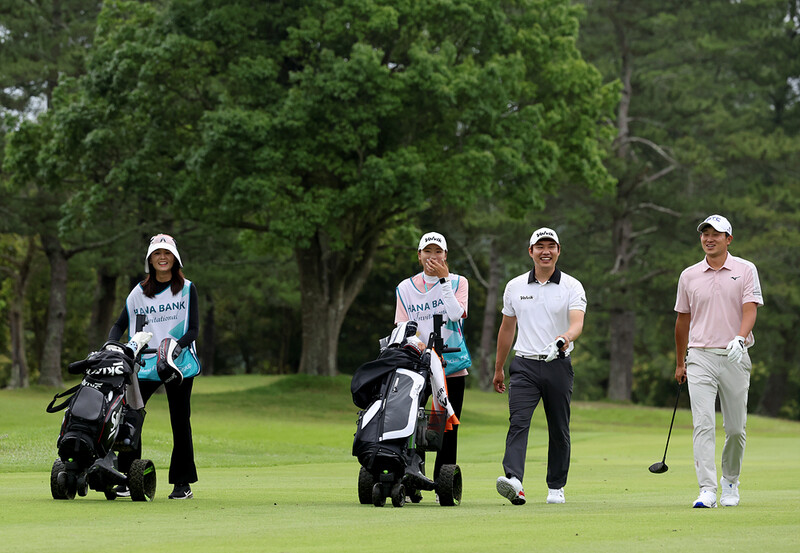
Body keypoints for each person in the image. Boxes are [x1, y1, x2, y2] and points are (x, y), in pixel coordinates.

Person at [674, 214, 762, 508]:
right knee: (703, 423)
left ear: (729, 239)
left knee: (736, 428)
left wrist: (740, 337)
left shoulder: (745, 269)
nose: (709, 239)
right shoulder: (689, 275)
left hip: (735, 355)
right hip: (699, 356)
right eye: (705, 234)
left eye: (716, 234)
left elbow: (750, 309)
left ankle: (730, 481)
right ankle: (707, 489)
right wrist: (680, 362)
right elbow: (682, 321)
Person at [493, 227, 586, 505]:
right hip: (524, 365)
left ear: (558, 250)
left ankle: (556, 486)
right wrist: (499, 367)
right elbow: (507, 329)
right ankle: (514, 481)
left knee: (559, 427)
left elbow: (577, 322)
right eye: (540, 246)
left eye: (551, 246)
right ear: (530, 251)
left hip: (558, 364)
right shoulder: (515, 286)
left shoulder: (571, 286)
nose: (546, 251)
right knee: (518, 423)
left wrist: (564, 338)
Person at [108, 233, 201, 499]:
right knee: (129, 418)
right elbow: (119, 325)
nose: (162, 257)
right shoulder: (138, 292)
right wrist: (113, 344)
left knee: (180, 421)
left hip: (177, 364)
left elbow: (193, 329)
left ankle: (182, 484)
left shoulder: (187, 289)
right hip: (144, 363)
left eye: (167, 253)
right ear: (150, 259)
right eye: (157, 254)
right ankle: (126, 478)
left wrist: (176, 348)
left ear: (175, 258)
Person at [394, 232, 471, 482]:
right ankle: (413, 476)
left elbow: (455, 314)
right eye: (427, 251)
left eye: (438, 252)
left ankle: (443, 482)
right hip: (417, 365)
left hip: (452, 365)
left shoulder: (459, 282)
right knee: (412, 422)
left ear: (445, 255)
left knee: (448, 424)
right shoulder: (405, 287)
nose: (433, 256)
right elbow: (402, 327)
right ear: (419, 256)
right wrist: (422, 351)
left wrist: (443, 281)